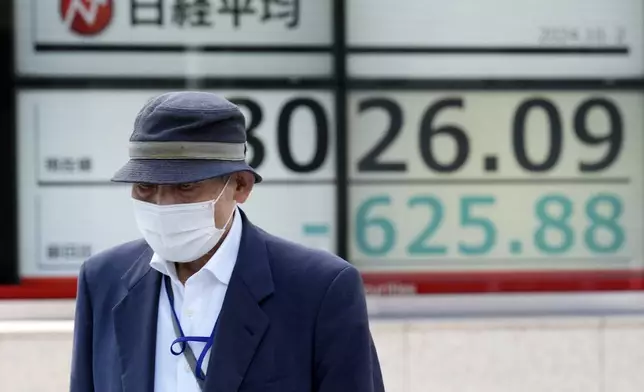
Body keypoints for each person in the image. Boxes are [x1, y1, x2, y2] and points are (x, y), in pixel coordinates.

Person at [69, 91, 385, 392]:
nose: (163, 204)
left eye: (186, 186)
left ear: (241, 186)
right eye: (145, 186)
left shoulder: (319, 289)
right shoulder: (103, 280)